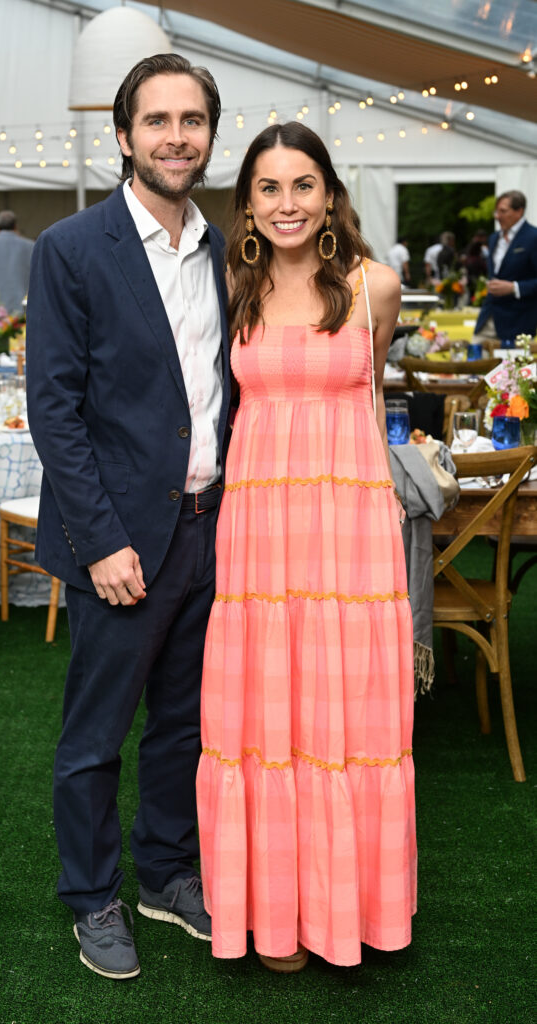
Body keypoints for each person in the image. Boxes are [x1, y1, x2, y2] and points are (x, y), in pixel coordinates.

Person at [26, 53, 231, 981]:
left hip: (209, 528)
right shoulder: (72, 249)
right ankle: (92, 896)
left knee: (184, 726)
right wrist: (101, 539)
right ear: (123, 137)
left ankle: (164, 874)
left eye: (191, 121)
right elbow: (54, 411)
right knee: (95, 736)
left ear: (207, 137)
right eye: (157, 121)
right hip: (121, 541)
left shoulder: (225, 249)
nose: (175, 136)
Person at [196, 121, 416, 973]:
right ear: (247, 205)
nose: (286, 203)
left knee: (347, 718)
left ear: (328, 193)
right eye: (268, 188)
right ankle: (275, 916)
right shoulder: (230, 286)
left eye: (301, 184)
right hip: (258, 535)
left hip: (348, 534)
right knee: (263, 716)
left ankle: (346, 912)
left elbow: (367, 398)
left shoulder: (375, 288)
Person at [473, 190, 537, 343]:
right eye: (497, 211)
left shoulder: (533, 237)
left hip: (519, 322)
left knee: (513, 367)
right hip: (488, 318)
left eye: (503, 211)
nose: (497, 216)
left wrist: (514, 287)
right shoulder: (494, 238)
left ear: (519, 211)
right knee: (474, 363)